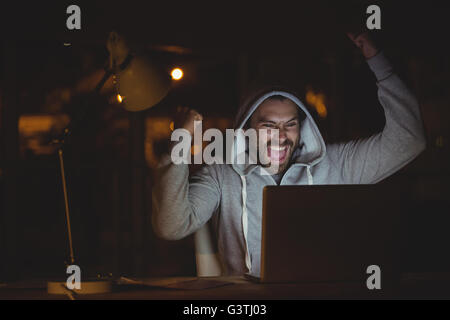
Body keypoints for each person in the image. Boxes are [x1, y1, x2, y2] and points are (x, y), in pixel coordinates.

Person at [152, 32, 426, 277]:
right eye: (268, 125)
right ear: (247, 127)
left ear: (302, 124)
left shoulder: (336, 163)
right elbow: (171, 226)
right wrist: (180, 142)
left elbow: (409, 140)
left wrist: (378, 62)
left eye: (290, 124)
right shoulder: (222, 173)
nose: (281, 136)